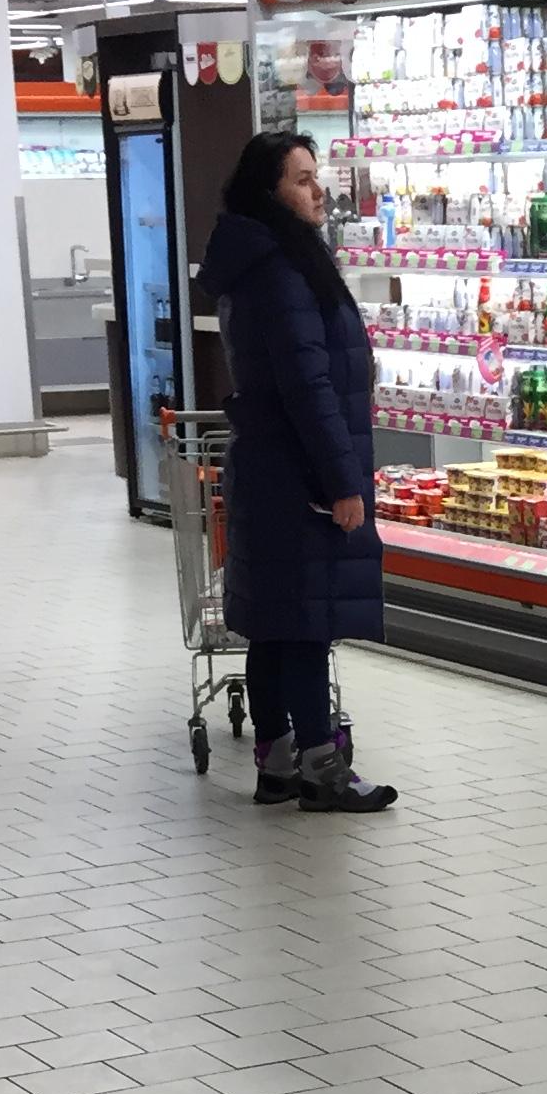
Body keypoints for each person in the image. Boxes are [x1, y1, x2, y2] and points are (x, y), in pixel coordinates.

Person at [193, 130, 395, 814]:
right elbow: (309, 386)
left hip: (270, 468)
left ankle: (276, 763)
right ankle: (321, 770)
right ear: (269, 191)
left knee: (276, 623)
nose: (318, 191)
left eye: (316, 177)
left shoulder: (262, 258)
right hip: (299, 475)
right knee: (307, 625)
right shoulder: (281, 270)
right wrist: (341, 482)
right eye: (301, 179)